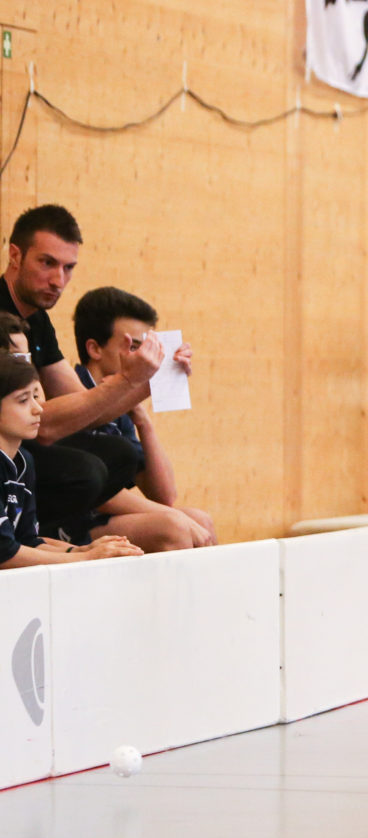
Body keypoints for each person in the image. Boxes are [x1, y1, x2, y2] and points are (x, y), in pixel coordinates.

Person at [0, 205, 174, 537]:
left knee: (119, 453)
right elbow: (43, 425)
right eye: (47, 263)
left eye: (68, 268)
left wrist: (150, 380)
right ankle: (47, 536)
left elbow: (88, 406)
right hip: (10, 454)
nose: (58, 280)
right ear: (15, 255)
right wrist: (127, 379)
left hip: (26, 452)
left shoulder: (38, 319)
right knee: (86, 470)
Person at [65, 287, 216, 551]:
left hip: (103, 517)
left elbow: (164, 495)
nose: (145, 358)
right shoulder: (71, 393)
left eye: (148, 348)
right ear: (95, 348)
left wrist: (141, 417)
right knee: (174, 528)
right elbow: (97, 493)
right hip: (67, 520)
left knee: (201, 520)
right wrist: (174, 517)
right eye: (134, 346)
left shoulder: (121, 405)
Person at [0, 353, 143, 567]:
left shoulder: (23, 461)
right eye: (23, 400)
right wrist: (83, 558)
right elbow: (5, 554)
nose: (38, 408)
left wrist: (81, 549)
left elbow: (28, 540)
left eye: (36, 396)